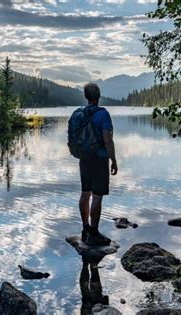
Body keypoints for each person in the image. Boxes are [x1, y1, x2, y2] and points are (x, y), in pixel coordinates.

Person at [78, 83, 118, 246]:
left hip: (84, 158)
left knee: (85, 193)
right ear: (99, 95)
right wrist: (113, 159)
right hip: (100, 159)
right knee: (97, 196)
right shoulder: (103, 114)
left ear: (86, 96)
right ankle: (93, 232)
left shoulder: (80, 113)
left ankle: (85, 229)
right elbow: (107, 139)